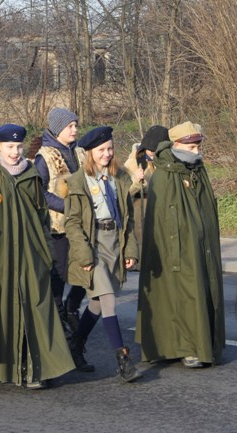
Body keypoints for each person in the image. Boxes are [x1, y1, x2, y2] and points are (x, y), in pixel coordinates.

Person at [0, 124, 74, 389]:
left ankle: (37, 368)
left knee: (37, 308)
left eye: (19, 147)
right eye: (9, 147)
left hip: (31, 252)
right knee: (5, 309)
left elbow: (41, 212)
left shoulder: (30, 173)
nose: (15, 152)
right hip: (0, 255)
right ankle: (5, 365)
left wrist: (45, 250)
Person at [136, 121, 225, 368]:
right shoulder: (163, 175)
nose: (197, 152)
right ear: (176, 145)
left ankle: (202, 343)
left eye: (199, 147)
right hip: (175, 248)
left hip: (200, 244)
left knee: (200, 291)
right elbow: (160, 218)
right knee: (183, 294)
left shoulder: (197, 170)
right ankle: (187, 347)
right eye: (192, 147)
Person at [64, 126, 141, 383]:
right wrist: (84, 255)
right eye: (101, 150)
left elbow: (128, 219)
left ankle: (75, 346)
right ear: (89, 154)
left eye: (110, 149)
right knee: (108, 299)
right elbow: (72, 223)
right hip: (92, 244)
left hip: (113, 243)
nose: (107, 154)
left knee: (96, 304)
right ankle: (123, 359)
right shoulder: (78, 181)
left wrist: (130, 250)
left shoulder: (119, 178)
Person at [34, 108, 88, 345]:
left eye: (76, 125)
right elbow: (40, 192)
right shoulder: (44, 156)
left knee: (86, 271)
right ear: (58, 129)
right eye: (70, 126)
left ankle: (72, 308)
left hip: (82, 223)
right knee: (59, 275)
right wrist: (66, 206)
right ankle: (57, 319)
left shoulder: (79, 152)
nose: (75, 130)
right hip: (58, 227)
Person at [123, 125, 168, 255]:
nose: (152, 153)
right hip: (140, 211)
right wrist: (136, 181)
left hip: (161, 209)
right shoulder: (133, 163)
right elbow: (124, 193)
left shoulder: (166, 162)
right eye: (150, 150)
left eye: (156, 150)